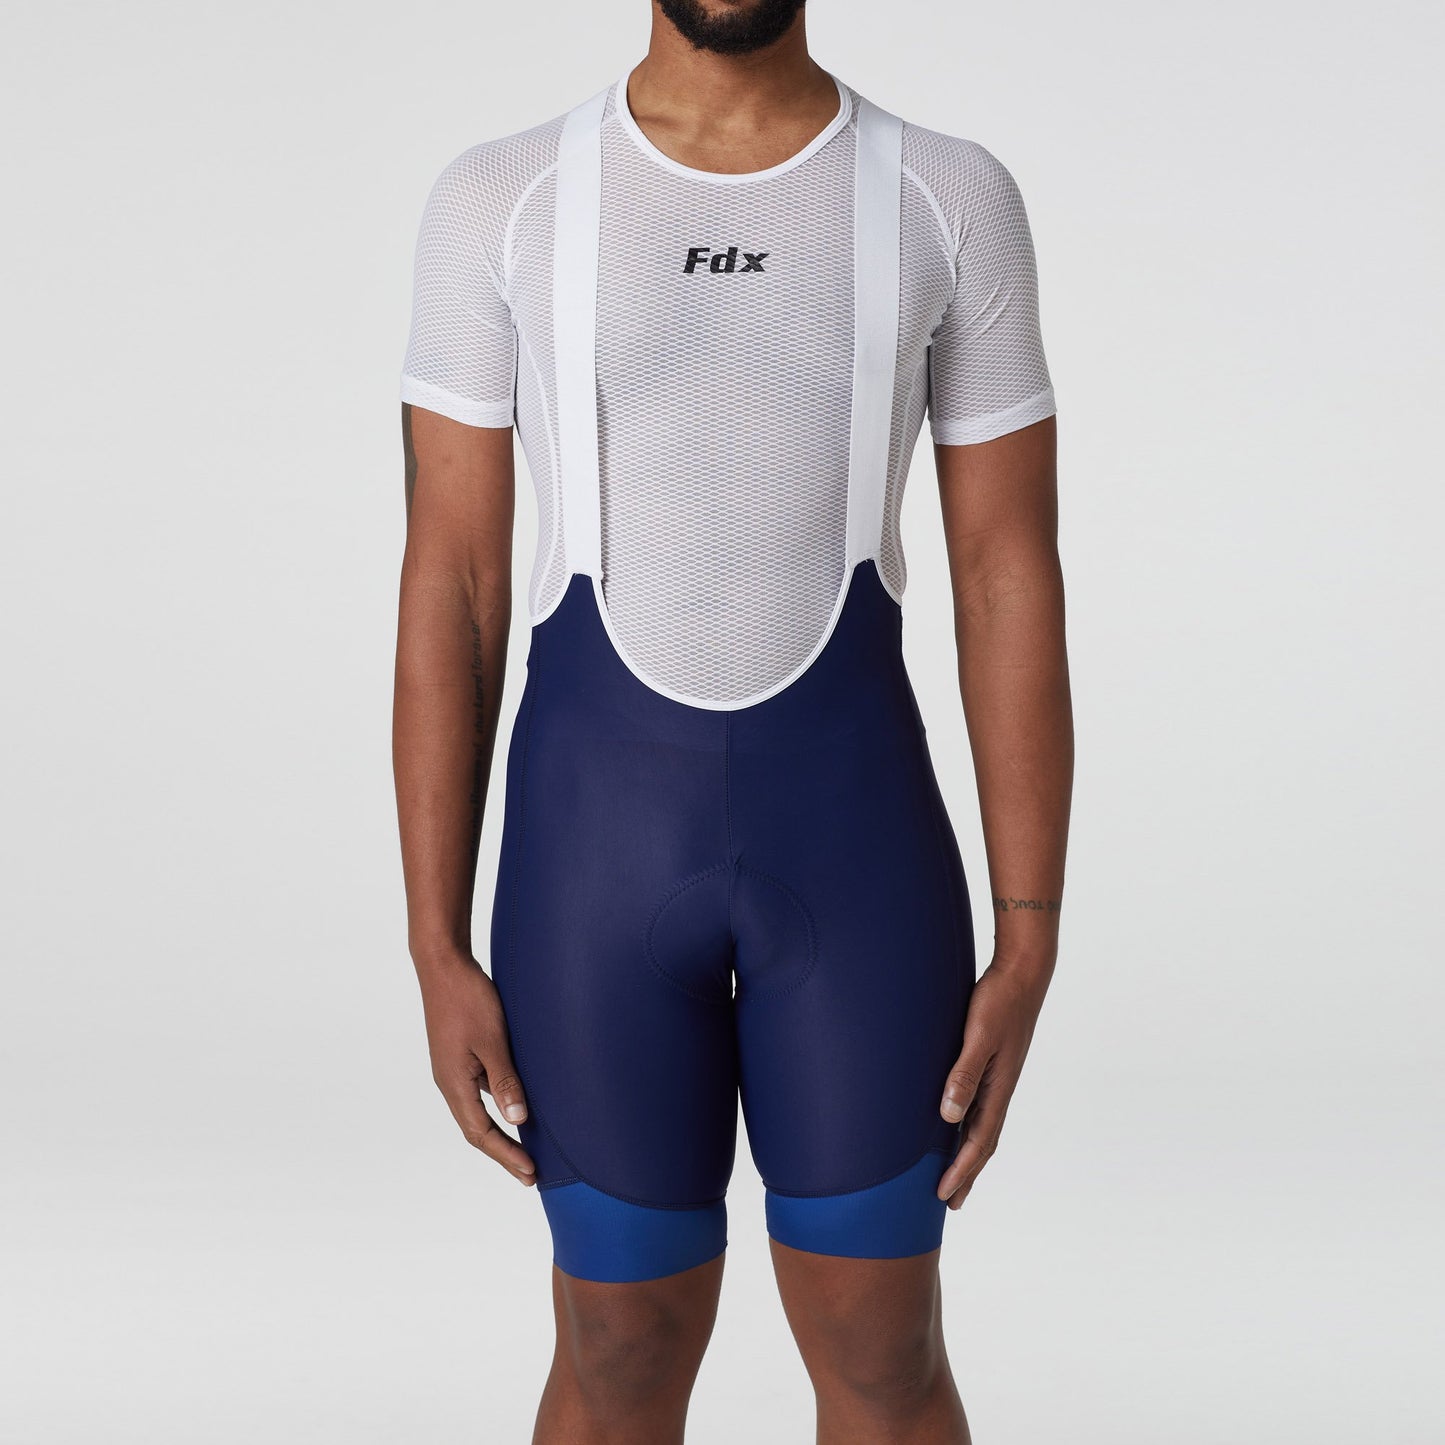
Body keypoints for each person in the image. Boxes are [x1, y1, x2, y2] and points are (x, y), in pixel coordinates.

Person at [393, 0, 1072, 1438]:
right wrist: (431, 940)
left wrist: (1030, 932)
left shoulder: (946, 194)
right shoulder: (500, 195)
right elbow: (452, 577)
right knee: (618, 1342)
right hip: (594, 857)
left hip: (856, 851)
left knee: (882, 1342)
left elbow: (1007, 569)